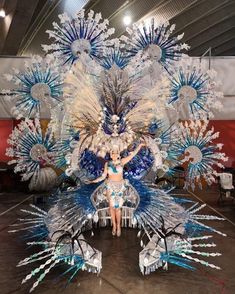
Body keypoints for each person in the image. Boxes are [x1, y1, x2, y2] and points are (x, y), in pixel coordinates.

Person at [91, 142, 146, 237]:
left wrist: (140, 145)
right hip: (110, 186)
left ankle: (119, 226)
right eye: (112, 152)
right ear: (110, 154)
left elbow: (133, 155)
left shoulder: (122, 162)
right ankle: (114, 226)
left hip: (120, 187)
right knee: (111, 207)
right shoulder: (107, 164)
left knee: (118, 208)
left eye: (116, 152)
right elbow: (104, 176)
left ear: (119, 154)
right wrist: (94, 181)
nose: (114, 154)